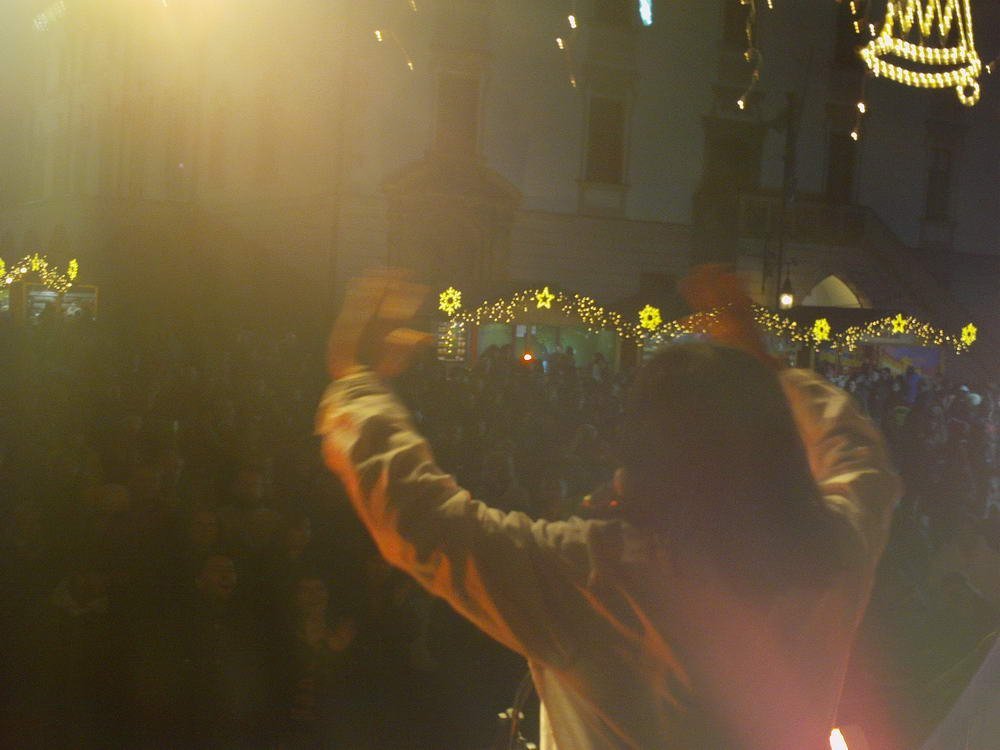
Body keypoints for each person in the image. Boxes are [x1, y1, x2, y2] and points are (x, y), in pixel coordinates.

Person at [315, 268, 901, 749]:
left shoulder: (596, 577)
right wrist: (763, 371)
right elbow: (859, 457)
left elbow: (424, 520)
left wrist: (357, 380)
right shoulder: (834, 554)